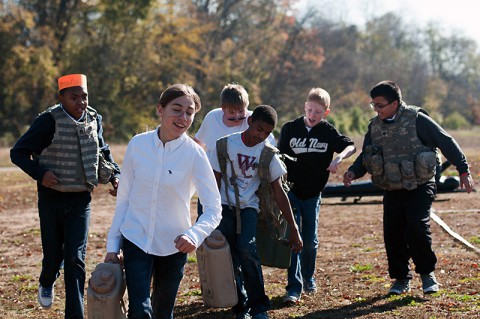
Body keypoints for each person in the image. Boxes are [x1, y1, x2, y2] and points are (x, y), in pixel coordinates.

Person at [343, 80, 475, 295]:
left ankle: (427, 274)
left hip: (421, 185)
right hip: (393, 187)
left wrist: (463, 170)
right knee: (392, 233)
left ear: (395, 103)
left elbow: (446, 141)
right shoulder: (374, 126)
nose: (376, 109)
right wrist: (353, 172)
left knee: (416, 227)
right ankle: (401, 278)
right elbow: (367, 154)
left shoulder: (417, 119)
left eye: (380, 105)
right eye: (373, 105)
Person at [104, 84, 222, 319]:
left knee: (162, 313)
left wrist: (194, 235)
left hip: (175, 244)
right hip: (135, 237)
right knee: (140, 310)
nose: (183, 117)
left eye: (189, 113)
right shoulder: (138, 145)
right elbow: (124, 198)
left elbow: (213, 208)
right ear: (160, 109)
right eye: (177, 109)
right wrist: (112, 246)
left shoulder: (195, 154)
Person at [10, 74, 120, 318]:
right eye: (73, 97)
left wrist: (115, 176)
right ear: (61, 98)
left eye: (84, 96)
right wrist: (39, 173)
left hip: (81, 199)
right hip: (52, 199)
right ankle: (47, 280)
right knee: (53, 256)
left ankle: (75, 314)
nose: (80, 102)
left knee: (75, 258)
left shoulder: (94, 118)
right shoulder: (48, 121)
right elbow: (17, 153)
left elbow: (103, 150)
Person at [210, 105, 303, 319]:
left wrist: (294, 228)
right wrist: (210, 215)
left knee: (247, 250)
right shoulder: (224, 145)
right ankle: (240, 306)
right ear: (250, 121)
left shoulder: (268, 154)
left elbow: (279, 192)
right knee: (230, 255)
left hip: (249, 207)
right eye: (259, 129)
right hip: (223, 206)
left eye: (268, 133)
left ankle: (259, 306)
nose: (261, 136)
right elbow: (213, 182)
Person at [277, 87, 356, 303]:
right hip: (291, 193)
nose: (313, 115)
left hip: (312, 195)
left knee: (310, 241)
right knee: (294, 238)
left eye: (318, 112)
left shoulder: (327, 131)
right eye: (310, 110)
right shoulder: (290, 129)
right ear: (304, 107)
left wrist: (338, 159)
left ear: (326, 113)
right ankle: (294, 287)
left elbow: (350, 146)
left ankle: (308, 277)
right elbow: (278, 157)